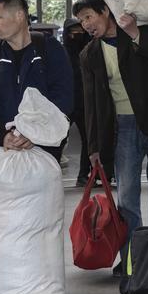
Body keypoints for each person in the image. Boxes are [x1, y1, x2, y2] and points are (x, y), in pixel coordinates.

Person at [75, 0, 148, 277]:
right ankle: (133, 259)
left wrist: (135, 33)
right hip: (122, 128)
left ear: (105, 11)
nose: (86, 25)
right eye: (81, 21)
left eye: (89, 17)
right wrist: (94, 147)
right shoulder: (89, 54)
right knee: (126, 199)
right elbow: (91, 103)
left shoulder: (139, 31)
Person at [0, 0, 73, 162]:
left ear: (19, 16)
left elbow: (63, 96)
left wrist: (35, 132)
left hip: (44, 146)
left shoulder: (50, 50)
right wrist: (2, 135)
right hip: (0, 145)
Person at [62, 18, 93, 186]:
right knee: (58, 140)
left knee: (88, 140)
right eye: (73, 32)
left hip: (84, 103)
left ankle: (83, 175)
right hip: (66, 105)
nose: (77, 35)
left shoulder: (89, 50)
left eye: (80, 31)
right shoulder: (61, 53)